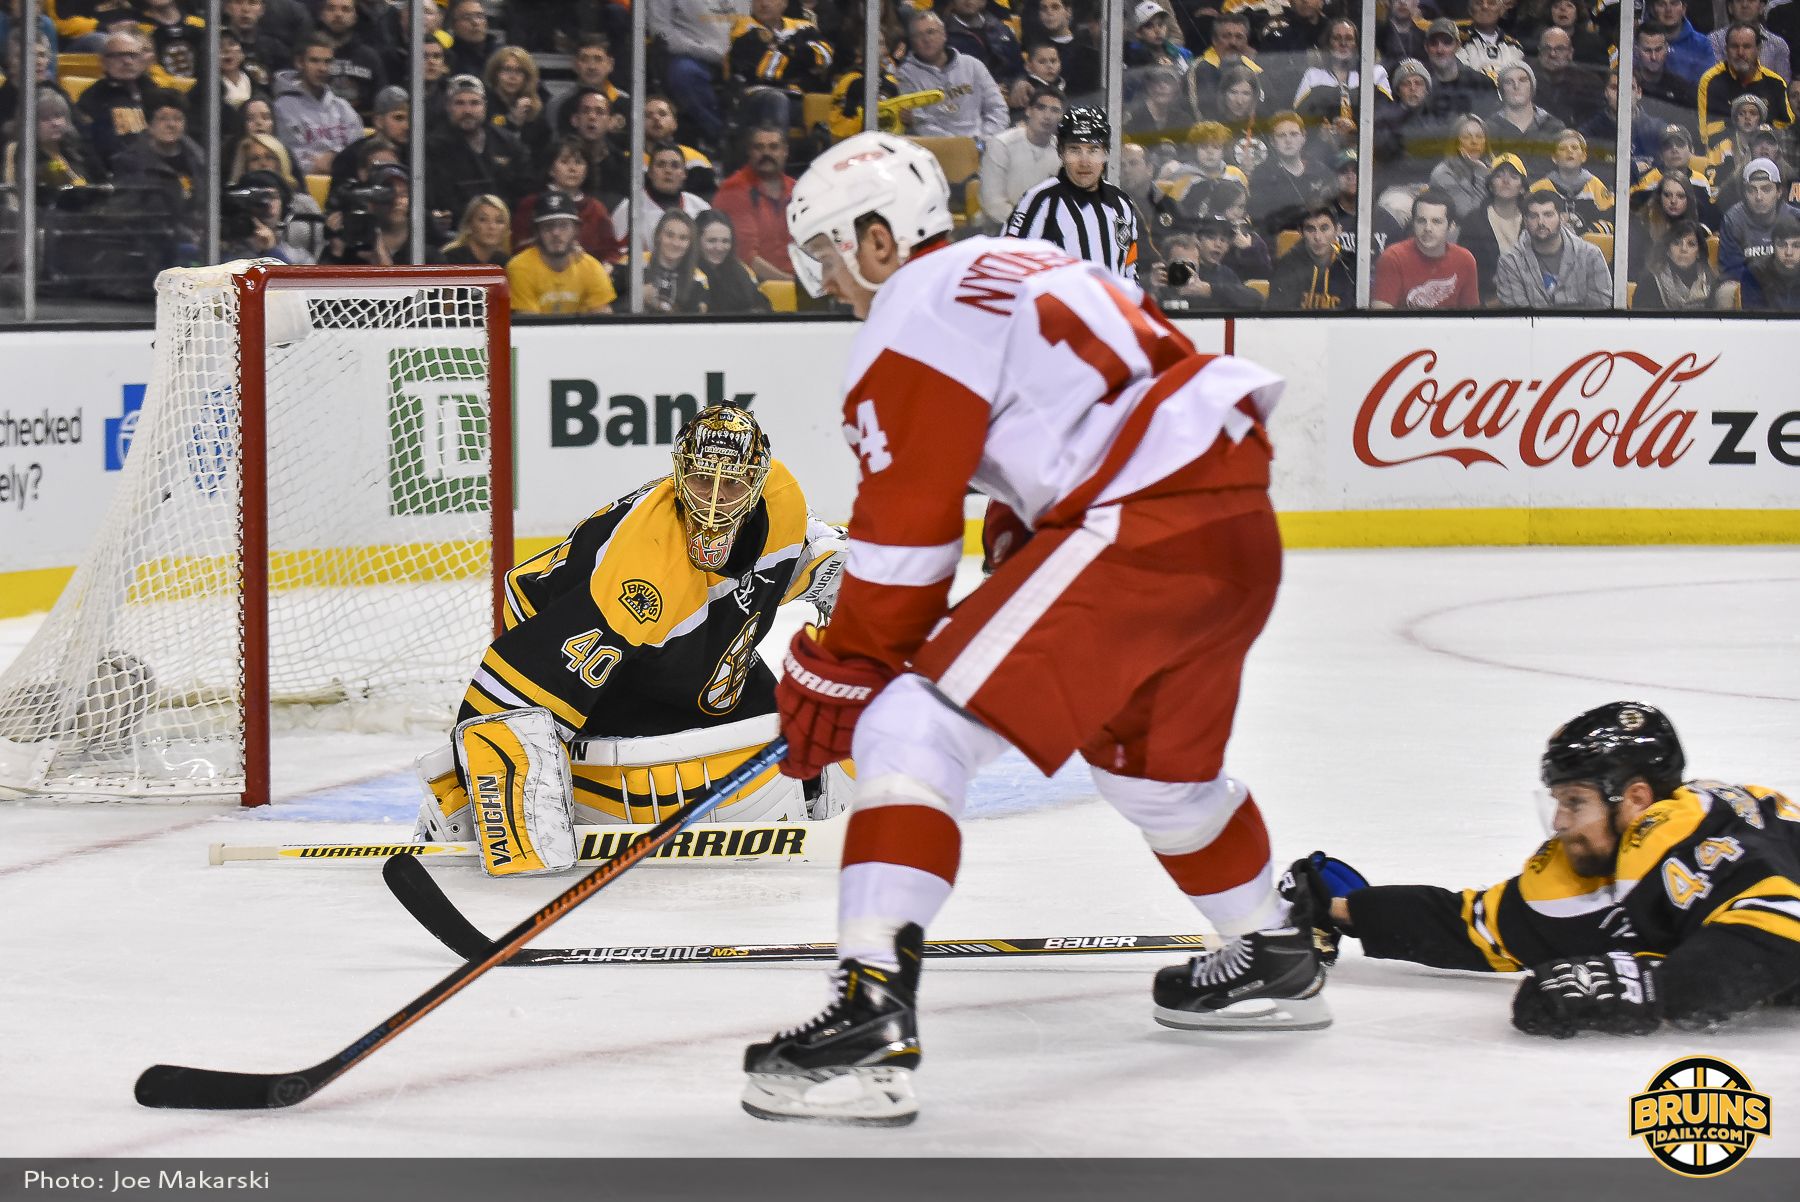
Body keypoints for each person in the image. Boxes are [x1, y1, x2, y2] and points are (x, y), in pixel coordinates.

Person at [754, 131, 1305, 1127]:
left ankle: (871, 1015)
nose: (829, 285)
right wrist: (1021, 542)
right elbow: (1067, 425)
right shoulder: (1037, 262)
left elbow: (906, 547)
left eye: (829, 256)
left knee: (909, 730)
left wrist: (844, 667)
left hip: (1144, 519)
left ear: (880, 241)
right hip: (1235, 522)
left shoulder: (908, 309)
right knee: (1156, 774)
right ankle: (1272, 945)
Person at [413, 406, 851, 870]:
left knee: (787, 725)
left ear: (758, 483)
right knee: (555, 739)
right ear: (679, 475)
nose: (714, 502)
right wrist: (518, 840)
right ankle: (455, 803)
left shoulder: (783, 501)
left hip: (697, 641)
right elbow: (509, 700)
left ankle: (815, 804)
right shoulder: (639, 579)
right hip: (570, 630)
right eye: (702, 481)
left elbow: (817, 559)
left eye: (732, 485)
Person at [1313, 703, 1800, 1037]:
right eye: (1558, 802)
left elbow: (1781, 931)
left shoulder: (1692, 842)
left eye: (1576, 802)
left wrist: (1646, 987)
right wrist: (1340, 909)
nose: (1561, 823)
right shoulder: (1612, 859)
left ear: (1635, 799)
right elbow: (1471, 924)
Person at [1005, 107, 1143, 282]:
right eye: (1075, 150)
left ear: (1106, 153)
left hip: (1107, 307)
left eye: (1093, 150)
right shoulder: (1039, 201)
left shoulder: (1122, 203)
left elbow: (1129, 269)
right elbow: (1009, 267)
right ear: (1060, 152)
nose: (1084, 162)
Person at [426, 74, 532, 225]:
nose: (467, 110)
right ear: (448, 106)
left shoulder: (509, 144)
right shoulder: (433, 148)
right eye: (459, 103)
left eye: (474, 103)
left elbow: (524, 191)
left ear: (485, 105)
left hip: (505, 228)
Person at [111, 94, 205, 258]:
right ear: (149, 126)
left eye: (178, 119)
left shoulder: (199, 160)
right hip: (154, 245)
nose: (171, 124)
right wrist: (189, 236)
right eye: (163, 119)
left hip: (198, 237)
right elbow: (142, 215)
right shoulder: (130, 163)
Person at [650, 0, 750, 151]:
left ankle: (753, 140)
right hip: (689, 54)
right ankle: (721, 137)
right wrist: (703, 50)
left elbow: (751, 23)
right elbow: (660, 31)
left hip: (738, 54)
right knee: (685, 74)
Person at [894, 10, 1008, 140]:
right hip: (939, 148)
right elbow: (918, 123)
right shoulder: (905, 75)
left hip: (982, 142)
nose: (926, 39)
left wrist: (985, 138)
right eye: (919, 35)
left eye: (931, 32)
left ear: (944, 35)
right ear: (912, 42)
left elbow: (997, 108)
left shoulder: (973, 65)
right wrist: (957, 145)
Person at [727, 0, 834, 132]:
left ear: (785, 3)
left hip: (797, 96)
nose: (763, 4)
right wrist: (804, 65)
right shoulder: (743, 28)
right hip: (756, 96)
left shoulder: (804, 27)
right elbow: (765, 71)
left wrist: (787, 49)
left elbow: (825, 55)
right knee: (777, 99)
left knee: (823, 114)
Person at [1494, 188, 1612, 306]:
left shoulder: (1591, 255)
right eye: (1534, 216)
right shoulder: (1510, 261)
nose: (1541, 222)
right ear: (1525, 220)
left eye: (1548, 215)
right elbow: (1517, 313)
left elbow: (1600, 304)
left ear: (1563, 218)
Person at [711, 122, 796, 283]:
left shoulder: (798, 190)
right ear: (749, 152)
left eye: (773, 147)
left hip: (799, 282)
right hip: (753, 285)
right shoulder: (734, 189)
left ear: (785, 151)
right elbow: (746, 256)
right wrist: (791, 284)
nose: (766, 153)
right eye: (759, 147)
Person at [76, 30, 173, 169]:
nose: (127, 61)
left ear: (142, 60)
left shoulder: (157, 92)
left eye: (133, 55)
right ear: (103, 63)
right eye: (118, 56)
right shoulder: (93, 98)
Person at [514, 135, 622, 260]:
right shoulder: (531, 204)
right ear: (550, 169)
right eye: (564, 162)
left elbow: (611, 252)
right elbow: (519, 247)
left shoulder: (596, 209)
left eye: (579, 162)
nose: (572, 169)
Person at [505, 191, 615, 313]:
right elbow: (529, 325)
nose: (556, 233)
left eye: (564, 226)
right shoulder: (520, 267)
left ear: (576, 229)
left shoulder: (592, 268)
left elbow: (603, 320)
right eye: (548, 226)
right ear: (536, 232)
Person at [1371, 188, 1480, 308]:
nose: (1428, 228)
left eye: (1436, 222)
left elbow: (1471, 316)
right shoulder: (1393, 257)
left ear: (1451, 226)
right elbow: (1382, 316)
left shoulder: (1465, 260)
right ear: (1413, 223)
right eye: (1421, 220)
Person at [273, 32, 362, 174]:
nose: (322, 68)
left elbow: (359, 151)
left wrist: (334, 157)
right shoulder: (282, 107)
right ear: (299, 63)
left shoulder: (343, 108)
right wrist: (324, 164)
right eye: (314, 61)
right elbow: (289, 160)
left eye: (327, 62)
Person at [978, 83, 1063, 231]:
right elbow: (993, 203)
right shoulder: (1001, 144)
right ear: (1028, 110)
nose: (1048, 116)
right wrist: (1028, 225)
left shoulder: (1062, 152)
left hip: (1046, 231)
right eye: (1041, 108)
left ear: (1062, 117)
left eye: (1055, 110)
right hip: (999, 230)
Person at [1699, 24, 1794, 145]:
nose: (1740, 52)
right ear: (1726, 49)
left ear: (1759, 49)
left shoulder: (1776, 82)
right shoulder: (1711, 80)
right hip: (1727, 156)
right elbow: (1707, 133)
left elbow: (1786, 129)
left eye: (1747, 47)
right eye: (1734, 46)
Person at [1247, 109, 1336, 237]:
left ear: (1303, 137)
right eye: (1281, 135)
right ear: (1272, 141)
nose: (1288, 140)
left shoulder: (1322, 173)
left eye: (1294, 134)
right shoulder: (1261, 175)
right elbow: (1260, 221)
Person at [611, 140, 710, 255]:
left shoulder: (700, 207)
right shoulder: (630, 208)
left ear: (684, 173)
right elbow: (617, 254)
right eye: (661, 165)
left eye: (675, 166)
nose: (668, 171)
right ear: (650, 172)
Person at [319, 160, 426, 264]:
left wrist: (379, 252)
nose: (396, 201)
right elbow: (321, 280)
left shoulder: (423, 252)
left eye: (403, 195)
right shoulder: (350, 250)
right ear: (370, 202)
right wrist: (335, 252)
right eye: (387, 195)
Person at [1456, 153, 1529, 302]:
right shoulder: (1473, 221)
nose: (1506, 181)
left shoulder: (1533, 220)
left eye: (1514, 176)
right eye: (1499, 175)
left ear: (1522, 188)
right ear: (1490, 185)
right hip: (1486, 298)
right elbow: (1466, 269)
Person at [1147, 220, 1262, 310]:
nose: (1218, 244)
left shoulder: (1222, 274)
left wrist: (1208, 290)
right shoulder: (1158, 278)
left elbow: (1257, 299)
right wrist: (1148, 284)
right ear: (1164, 263)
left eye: (1191, 265)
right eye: (1179, 263)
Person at [1719, 155, 1800, 277]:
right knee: (1727, 291)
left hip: (1789, 284)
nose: (1759, 197)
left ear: (1779, 192)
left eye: (1766, 189)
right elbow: (1730, 268)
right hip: (1749, 284)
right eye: (1752, 190)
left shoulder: (1795, 217)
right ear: (1744, 194)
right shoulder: (1733, 220)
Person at [1485, 62, 1566, 176]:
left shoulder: (1554, 127)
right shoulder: (1488, 129)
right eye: (1509, 82)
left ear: (1532, 86)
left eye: (1522, 80)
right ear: (1502, 90)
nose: (1516, 86)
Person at [1267, 203, 1353, 309]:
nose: (1318, 237)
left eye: (1324, 228)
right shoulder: (1287, 266)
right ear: (1301, 232)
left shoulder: (1350, 265)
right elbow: (1278, 311)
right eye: (1311, 230)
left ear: (1338, 230)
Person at [1530, 129, 1616, 234]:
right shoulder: (1540, 188)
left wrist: (1587, 231)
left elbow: (1613, 219)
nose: (1569, 151)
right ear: (1554, 158)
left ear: (1584, 156)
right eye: (1562, 148)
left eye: (1574, 148)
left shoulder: (1595, 185)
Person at [329, 84, 410, 195]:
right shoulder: (350, 157)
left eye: (409, 119)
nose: (406, 126)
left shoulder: (417, 157)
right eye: (398, 118)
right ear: (378, 121)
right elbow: (339, 199)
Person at [626, 206, 709, 313]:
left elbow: (697, 323)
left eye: (683, 238)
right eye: (669, 235)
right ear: (658, 236)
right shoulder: (634, 263)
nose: (675, 243)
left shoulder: (698, 280)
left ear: (690, 243)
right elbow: (609, 309)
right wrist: (635, 298)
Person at [1185, 11, 1260, 122]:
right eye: (1226, 36)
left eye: (1239, 37)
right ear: (1214, 40)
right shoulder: (1199, 69)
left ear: (1246, 42)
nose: (1233, 42)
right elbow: (1203, 113)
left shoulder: (1256, 70)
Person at [314, 0, 385, 117]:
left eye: (345, 9)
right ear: (321, 14)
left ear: (355, 16)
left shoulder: (369, 58)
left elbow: (381, 104)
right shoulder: (311, 56)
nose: (338, 14)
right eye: (331, 8)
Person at [1634, 217, 1727, 305]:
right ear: (1668, 251)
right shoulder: (1650, 281)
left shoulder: (1709, 280)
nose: (1683, 249)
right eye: (1677, 243)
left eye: (1691, 244)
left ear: (1698, 252)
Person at [550, 33, 629, 136]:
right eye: (584, 59)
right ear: (575, 64)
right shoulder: (558, 104)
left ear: (610, 64)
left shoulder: (625, 102)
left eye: (598, 59)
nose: (591, 66)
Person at [694, 209, 772, 312]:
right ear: (697, 240)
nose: (719, 248)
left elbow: (763, 308)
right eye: (712, 241)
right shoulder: (689, 275)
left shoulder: (740, 272)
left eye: (725, 241)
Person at [1634, 23, 1702, 139]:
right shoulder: (1625, 84)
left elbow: (1692, 132)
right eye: (1647, 50)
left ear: (1667, 48)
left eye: (1658, 49)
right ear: (1637, 51)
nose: (1654, 57)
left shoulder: (1682, 88)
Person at [1421, 19, 1498, 119]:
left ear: (1458, 45)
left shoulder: (1481, 84)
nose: (1440, 50)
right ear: (1426, 47)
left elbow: (1494, 124)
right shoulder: (1418, 86)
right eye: (1434, 43)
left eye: (1447, 43)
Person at [643, 94, 715, 200]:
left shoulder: (696, 160)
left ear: (675, 123)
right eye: (649, 115)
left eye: (662, 114)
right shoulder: (629, 160)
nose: (656, 118)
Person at [566, 87, 629, 208]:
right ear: (575, 120)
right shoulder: (559, 160)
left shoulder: (622, 165)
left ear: (611, 122)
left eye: (600, 112)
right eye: (585, 111)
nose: (592, 117)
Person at [1531, 27, 1603, 129]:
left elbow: (1595, 125)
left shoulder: (1589, 84)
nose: (1552, 54)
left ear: (1570, 53)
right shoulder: (1526, 81)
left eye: (1559, 48)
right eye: (1547, 48)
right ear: (1539, 51)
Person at [943, 0, 1024, 88]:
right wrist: (989, 88)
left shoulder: (1001, 29)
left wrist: (1019, 83)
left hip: (1011, 89)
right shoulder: (945, 37)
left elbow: (1020, 68)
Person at [483, 44, 548, 154]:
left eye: (519, 71)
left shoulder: (535, 108)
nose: (512, 77)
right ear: (495, 73)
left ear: (527, 77)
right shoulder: (483, 105)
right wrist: (513, 123)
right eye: (507, 69)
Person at [1031, 0, 1099, 103]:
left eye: (1055, 7)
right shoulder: (1033, 48)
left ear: (1068, 11)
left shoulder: (1087, 50)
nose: (1049, 13)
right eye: (1044, 9)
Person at [1428, 114, 1494, 220]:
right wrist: (1481, 172)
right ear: (1456, 142)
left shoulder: (1495, 167)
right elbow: (1470, 215)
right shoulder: (1443, 174)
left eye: (1479, 137)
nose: (1474, 141)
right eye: (1467, 137)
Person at [1711, 0, 1792, 78]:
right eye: (1739, 1)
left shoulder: (1778, 45)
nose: (1745, 5)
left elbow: (1783, 86)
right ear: (1730, 7)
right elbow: (1714, 80)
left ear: (1761, 7)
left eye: (1751, 1)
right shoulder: (1714, 40)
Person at [1652, 0, 1722, 87]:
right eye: (1662, 4)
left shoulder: (1702, 44)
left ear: (1683, 9)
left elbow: (1704, 85)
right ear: (1653, 10)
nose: (1668, 9)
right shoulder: (1641, 40)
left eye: (1674, 3)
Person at [1124, 64, 1197, 145]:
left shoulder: (1183, 120)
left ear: (1177, 88)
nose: (1162, 86)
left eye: (1168, 82)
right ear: (1149, 87)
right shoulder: (1133, 116)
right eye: (1157, 82)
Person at [1215, 66, 1270, 173]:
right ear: (1223, 94)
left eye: (1246, 93)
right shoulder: (1213, 126)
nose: (1239, 101)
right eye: (1233, 92)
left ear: (1254, 96)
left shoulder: (1263, 126)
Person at [1741, 209, 1800, 304]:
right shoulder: (1755, 273)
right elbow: (1755, 316)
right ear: (1773, 246)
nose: (1789, 252)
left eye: (1796, 246)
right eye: (1782, 245)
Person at [1458, 0, 1527, 80]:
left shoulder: (1514, 47)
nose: (1485, 7)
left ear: (1501, 10)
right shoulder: (1456, 40)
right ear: (1470, 10)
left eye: (1491, 3)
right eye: (1479, 3)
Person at [440, 193, 511, 264]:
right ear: (468, 226)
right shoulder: (449, 260)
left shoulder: (506, 262)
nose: (492, 226)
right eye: (483, 219)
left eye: (499, 221)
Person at [445, 0, 501, 79]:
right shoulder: (449, 59)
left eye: (479, 16)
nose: (475, 22)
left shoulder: (500, 54)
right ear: (453, 26)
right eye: (467, 17)